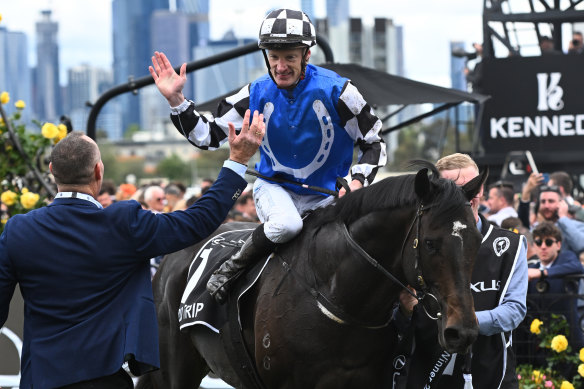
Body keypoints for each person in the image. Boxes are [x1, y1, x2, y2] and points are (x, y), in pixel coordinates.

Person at [0, 117, 262, 389]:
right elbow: (199, 221)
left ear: (52, 170)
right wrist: (237, 160)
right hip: (105, 379)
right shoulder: (125, 223)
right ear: (98, 172)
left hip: (40, 378)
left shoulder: (18, 230)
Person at [149, 8, 387, 304]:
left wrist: (357, 182)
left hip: (328, 195)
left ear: (306, 55)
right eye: (274, 57)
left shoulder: (340, 92)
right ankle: (234, 266)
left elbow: (374, 142)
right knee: (288, 226)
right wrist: (176, 100)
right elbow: (207, 136)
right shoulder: (254, 93)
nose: (281, 66)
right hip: (275, 188)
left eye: (289, 57)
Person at [393, 153, 527, 389]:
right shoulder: (417, 243)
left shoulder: (510, 246)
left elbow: (515, 310)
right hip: (429, 371)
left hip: (490, 372)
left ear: (482, 189)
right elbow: (399, 313)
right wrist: (405, 311)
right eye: (455, 188)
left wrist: (468, 322)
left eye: (472, 187)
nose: (466, 196)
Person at [527, 222, 584, 349]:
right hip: (540, 340)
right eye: (538, 242)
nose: (543, 247)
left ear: (558, 245)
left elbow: (577, 267)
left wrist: (542, 273)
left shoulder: (567, 258)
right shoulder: (531, 268)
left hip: (569, 335)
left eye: (548, 242)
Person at [518, 174, 584, 255]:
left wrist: (563, 218)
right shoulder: (537, 227)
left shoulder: (576, 224)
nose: (546, 206)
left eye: (551, 201)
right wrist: (526, 193)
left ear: (561, 203)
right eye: (543, 201)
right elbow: (523, 229)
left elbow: (581, 245)